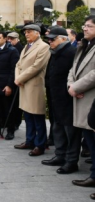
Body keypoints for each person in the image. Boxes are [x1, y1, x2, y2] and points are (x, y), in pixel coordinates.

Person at [41, 27, 80, 174]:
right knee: (57, 127)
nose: (50, 41)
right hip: (55, 96)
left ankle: (71, 161)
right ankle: (59, 155)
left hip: (68, 98)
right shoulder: (55, 52)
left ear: (63, 39)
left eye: (53, 39)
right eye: (49, 39)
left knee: (70, 131)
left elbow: (75, 75)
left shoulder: (71, 53)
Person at [14, 24, 50, 157]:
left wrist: (20, 78)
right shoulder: (26, 46)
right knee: (28, 115)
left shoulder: (43, 46)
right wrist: (18, 78)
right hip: (23, 84)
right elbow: (19, 64)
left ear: (37, 33)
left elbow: (37, 67)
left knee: (37, 116)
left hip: (34, 85)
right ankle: (29, 140)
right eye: (25, 32)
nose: (26, 34)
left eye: (29, 32)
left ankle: (40, 144)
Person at [68, 16, 95, 195]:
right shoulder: (83, 45)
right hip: (79, 95)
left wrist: (76, 87)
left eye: (89, 26)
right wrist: (71, 85)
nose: (84, 29)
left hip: (90, 98)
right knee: (90, 141)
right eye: (84, 26)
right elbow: (73, 69)